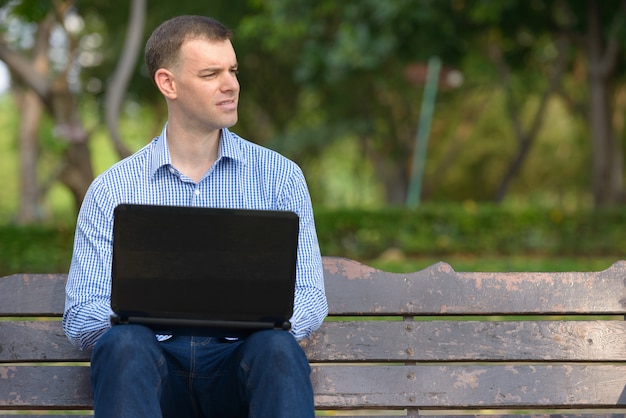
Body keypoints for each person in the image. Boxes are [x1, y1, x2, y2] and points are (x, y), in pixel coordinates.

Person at [63, 15, 328, 418]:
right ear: (168, 83)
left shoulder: (279, 178)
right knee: (125, 344)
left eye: (233, 71)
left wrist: (264, 318)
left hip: (238, 370)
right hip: (153, 377)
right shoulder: (112, 190)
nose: (231, 85)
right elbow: (81, 313)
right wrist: (136, 314)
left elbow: (311, 295)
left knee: (276, 347)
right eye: (211, 74)